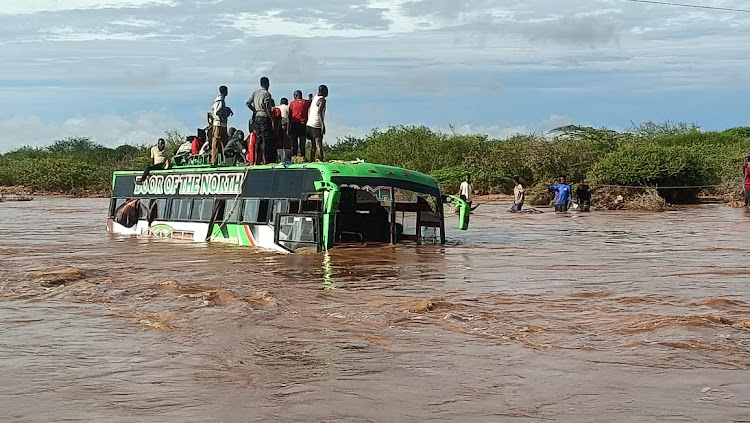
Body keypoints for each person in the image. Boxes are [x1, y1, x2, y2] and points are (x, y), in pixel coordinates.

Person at [247, 76, 274, 165]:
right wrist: (272, 120)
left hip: (257, 117)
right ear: (267, 84)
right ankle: (265, 159)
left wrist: (254, 110)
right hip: (264, 117)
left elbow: (248, 103)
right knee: (265, 139)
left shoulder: (255, 93)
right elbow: (267, 107)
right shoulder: (267, 94)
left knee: (259, 139)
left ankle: (255, 160)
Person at [207, 85, 233, 166]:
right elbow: (217, 111)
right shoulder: (220, 101)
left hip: (220, 123)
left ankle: (225, 160)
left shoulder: (219, 100)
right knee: (217, 142)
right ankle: (214, 160)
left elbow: (212, 111)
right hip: (219, 123)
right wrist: (222, 116)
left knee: (224, 142)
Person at [306, 84, 328, 162]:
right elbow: (319, 111)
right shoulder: (322, 100)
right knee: (319, 145)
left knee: (313, 146)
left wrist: (310, 98)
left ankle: (311, 160)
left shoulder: (315, 97)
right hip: (316, 125)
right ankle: (321, 160)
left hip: (309, 124)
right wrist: (323, 125)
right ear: (324, 92)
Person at [289, 90, 311, 158]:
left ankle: (294, 156)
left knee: (294, 143)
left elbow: (289, 115)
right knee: (302, 142)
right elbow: (311, 101)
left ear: (295, 96)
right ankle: (303, 156)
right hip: (302, 124)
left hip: (294, 124)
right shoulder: (306, 102)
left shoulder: (292, 103)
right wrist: (310, 97)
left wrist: (288, 127)